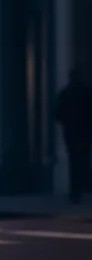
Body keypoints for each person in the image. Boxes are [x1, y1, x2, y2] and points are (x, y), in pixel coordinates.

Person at [55, 69, 92, 203]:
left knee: (74, 162)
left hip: (72, 133)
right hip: (83, 133)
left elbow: (57, 114)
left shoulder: (65, 94)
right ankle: (83, 186)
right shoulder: (86, 93)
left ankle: (76, 190)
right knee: (83, 160)